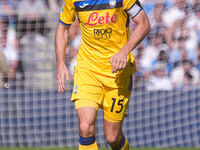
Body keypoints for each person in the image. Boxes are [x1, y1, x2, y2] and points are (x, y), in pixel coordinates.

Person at [55, 0, 150, 149]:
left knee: (113, 138)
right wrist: (60, 64)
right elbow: (63, 28)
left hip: (118, 74)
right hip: (88, 70)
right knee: (85, 128)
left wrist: (124, 52)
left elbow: (144, 23)